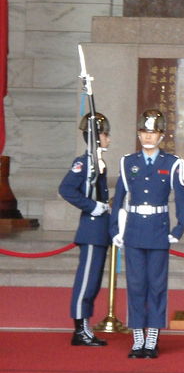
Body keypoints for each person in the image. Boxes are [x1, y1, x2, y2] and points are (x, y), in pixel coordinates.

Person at [109, 109, 184, 359]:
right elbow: (119, 198)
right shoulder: (128, 162)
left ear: (161, 135)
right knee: (135, 285)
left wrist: (178, 228)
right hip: (133, 229)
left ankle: (152, 336)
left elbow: (183, 200)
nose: (147, 137)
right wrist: (114, 229)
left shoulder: (173, 163)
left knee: (156, 285)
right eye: (144, 132)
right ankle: (137, 338)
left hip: (158, 229)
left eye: (152, 132)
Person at [58, 112, 112, 347]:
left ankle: (85, 326)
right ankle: (79, 329)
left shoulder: (97, 162)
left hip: (100, 231)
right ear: (96, 137)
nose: (109, 139)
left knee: (94, 281)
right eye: (105, 134)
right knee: (87, 281)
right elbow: (67, 189)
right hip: (91, 230)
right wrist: (92, 206)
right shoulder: (84, 162)